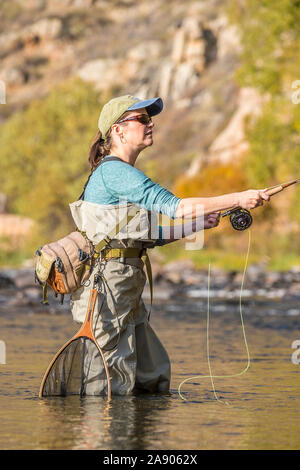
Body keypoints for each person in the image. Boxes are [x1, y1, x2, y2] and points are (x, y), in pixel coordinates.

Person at [69, 95, 270, 396]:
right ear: (117, 131)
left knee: (151, 375)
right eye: (142, 119)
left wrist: (198, 225)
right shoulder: (114, 172)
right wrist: (238, 199)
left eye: (150, 119)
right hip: (106, 290)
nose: (150, 125)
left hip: (125, 286)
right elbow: (175, 206)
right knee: (108, 385)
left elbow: (147, 236)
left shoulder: (121, 175)